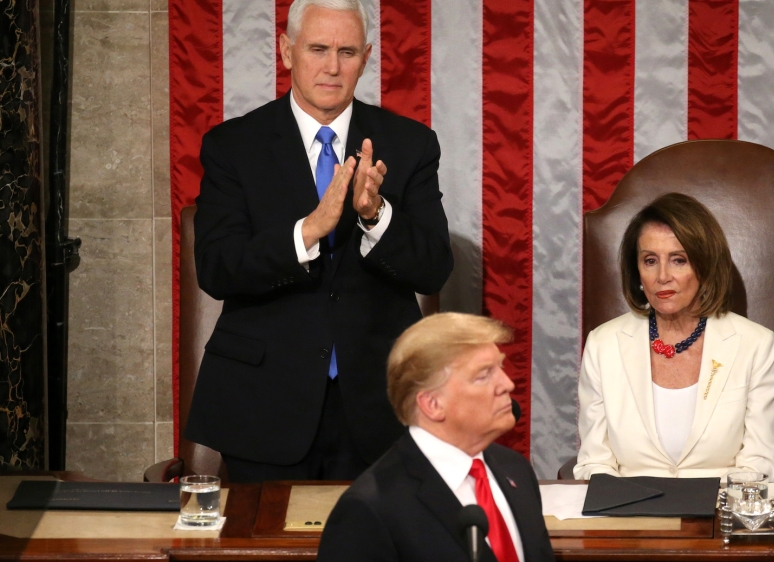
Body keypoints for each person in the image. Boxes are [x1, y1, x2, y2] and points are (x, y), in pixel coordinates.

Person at [186, 0, 453, 482]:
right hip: (263, 404)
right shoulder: (233, 146)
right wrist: (308, 230)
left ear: (366, 58)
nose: (332, 67)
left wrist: (376, 215)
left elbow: (434, 267)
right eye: (318, 49)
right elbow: (217, 267)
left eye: (347, 52)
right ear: (287, 51)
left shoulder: (410, 144)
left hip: (379, 407)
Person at [574, 193, 774, 481]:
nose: (663, 276)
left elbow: (757, 466)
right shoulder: (603, 344)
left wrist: (698, 501)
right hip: (630, 506)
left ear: (704, 267)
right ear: (637, 272)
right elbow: (594, 462)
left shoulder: (755, 345)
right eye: (650, 260)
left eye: (678, 260)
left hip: (720, 505)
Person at [318, 313, 555, 562]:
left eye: (501, 367)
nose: (507, 384)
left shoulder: (516, 470)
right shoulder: (369, 509)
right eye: (484, 375)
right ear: (432, 404)